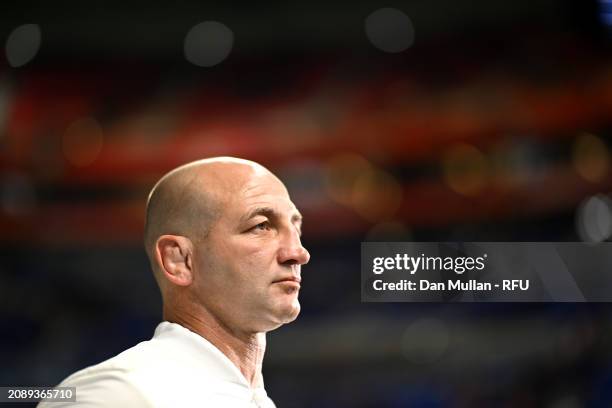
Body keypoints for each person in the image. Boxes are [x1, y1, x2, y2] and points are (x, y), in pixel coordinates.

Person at [38, 157, 310, 407]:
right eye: (261, 226)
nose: (298, 253)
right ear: (178, 260)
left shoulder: (251, 398)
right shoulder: (113, 395)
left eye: (295, 228)